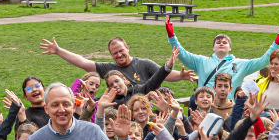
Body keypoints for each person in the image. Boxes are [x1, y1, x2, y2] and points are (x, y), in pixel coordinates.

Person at [166, 21, 279, 90]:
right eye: (218, 42)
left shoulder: (241, 64)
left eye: (225, 42)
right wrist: (171, 36)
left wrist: (277, 43)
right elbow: (182, 54)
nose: (221, 44)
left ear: (230, 48)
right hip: (206, 108)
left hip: (231, 109)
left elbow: (263, 61)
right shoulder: (201, 61)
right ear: (213, 48)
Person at [39, 36, 189, 90]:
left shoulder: (144, 64)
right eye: (114, 53)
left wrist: (181, 76)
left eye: (121, 50)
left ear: (127, 48)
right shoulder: (109, 68)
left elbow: (164, 75)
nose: (119, 55)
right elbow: (83, 62)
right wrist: (59, 51)